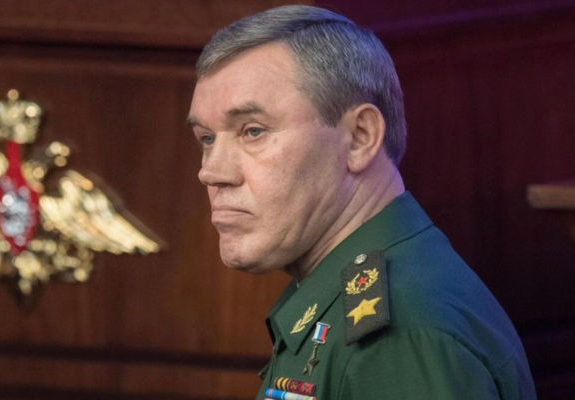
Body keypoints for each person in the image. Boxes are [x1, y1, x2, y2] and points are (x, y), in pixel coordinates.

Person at [187, 5, 536, 400]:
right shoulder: (367, 297)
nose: (211, 172)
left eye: (253, 131)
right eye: (207, 138)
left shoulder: (398, 336)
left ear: (359, 138)